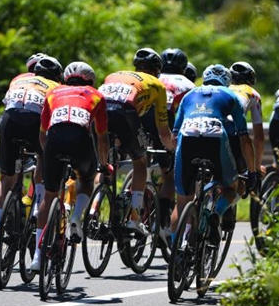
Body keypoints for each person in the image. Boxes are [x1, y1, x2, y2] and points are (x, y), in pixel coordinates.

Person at [31, 61, 110, 271]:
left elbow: (41, 135)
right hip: (81, 141)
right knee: (85, 179)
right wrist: (104, 164)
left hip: (54, 140)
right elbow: (102, 138)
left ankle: (37, 258)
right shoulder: (96, 95)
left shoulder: (53, 93)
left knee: (49, 195)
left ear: (66, 78)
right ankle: (76, 217)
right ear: (91, 81)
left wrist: (49, 156)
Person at [0, 53, 61, 264]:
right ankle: (39, 206)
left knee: (5, 178)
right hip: (34, 123)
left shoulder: (18, 79)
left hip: (9, 122)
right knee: (42, 156)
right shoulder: (55, 87)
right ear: (57, 76)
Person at [172, 64, 257, 244]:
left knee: (182, 199)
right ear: (227, 81)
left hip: (186, 138)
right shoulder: (231, 95)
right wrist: (252, 171)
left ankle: (176, 251)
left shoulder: (188, 95)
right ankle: (216, 214)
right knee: (231, 188)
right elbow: (244, 137)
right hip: (215, 139)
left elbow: (174, 135)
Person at [98, 48, 174, 233]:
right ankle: (134, 218)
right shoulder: (157, 85)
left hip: (100, 113)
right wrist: (172, 148)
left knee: (104, 163)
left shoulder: (113, 75)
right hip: (126, 114)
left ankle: (93, 212)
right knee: (140, 163)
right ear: (157, 70)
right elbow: (163, 129)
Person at [140, 47, 195, 238]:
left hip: (142, 121)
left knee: (141, 161)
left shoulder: (153, 78)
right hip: (166, 125)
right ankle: (161, 219)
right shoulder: (188, 84)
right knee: (170, 176)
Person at [228, 61, 265, 198]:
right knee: (241, 182)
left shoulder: (221, 88)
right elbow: (259, 138)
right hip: (233, 135)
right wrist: (256, 167)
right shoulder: (253, 93)